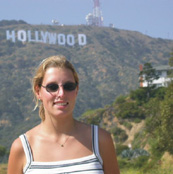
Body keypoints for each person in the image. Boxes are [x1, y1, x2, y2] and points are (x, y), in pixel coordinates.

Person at [8, 55, 120, 174]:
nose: (61, 93)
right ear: (38, 91)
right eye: (52, 87)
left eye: (69, 86)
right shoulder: (22, 148)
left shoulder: (100, 140)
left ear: (76, 90)